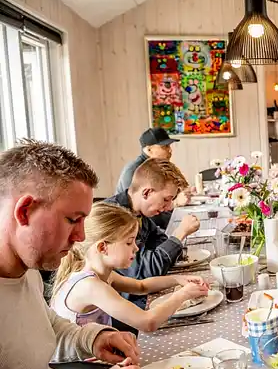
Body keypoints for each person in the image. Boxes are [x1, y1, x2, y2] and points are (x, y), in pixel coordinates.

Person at [0, 139, 141, 369]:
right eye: (73, 220)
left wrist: (94, 338)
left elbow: (48, 323)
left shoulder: (27, 268)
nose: (81, 235)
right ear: (24, 211)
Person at [51, 202, 210, 333]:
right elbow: (148, 323)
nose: (136, 248)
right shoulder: (90, 286)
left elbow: (141, 286)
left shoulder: (101, 274)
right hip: (85, 366)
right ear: (102, 248)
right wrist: (183, 295)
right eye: (129, 242)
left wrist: (178, 279)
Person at [104, 158, 200, 311]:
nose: (169, 207)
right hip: (121, 307)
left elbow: (160, 242)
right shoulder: (114, 218)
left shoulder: (138, 212)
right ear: (147, 192)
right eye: (166, 199)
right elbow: (144, 272)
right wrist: (180, 233)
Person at [115, 127, 181, 229]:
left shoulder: (156, 167)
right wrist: (177, 223)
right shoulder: (133, 170)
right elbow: (147, 209)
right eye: (165, 146)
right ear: (149, 149)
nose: (170, 150)